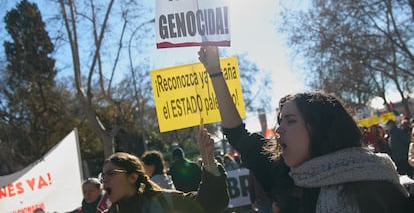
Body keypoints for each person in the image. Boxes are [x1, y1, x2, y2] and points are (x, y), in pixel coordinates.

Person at [198, 46, 414, 212]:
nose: (279, 129)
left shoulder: (374, 183)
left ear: (319, 128)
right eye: (280, 121)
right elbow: (238, 134)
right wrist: (215, 72)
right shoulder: (284, 176)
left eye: (290, 121)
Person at [100, 125, 229, 212]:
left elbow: (210, 204)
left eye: (111, 173)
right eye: (103, 176)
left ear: (133, 177)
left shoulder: (166, 203)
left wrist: (208, 159)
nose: (105, 180)